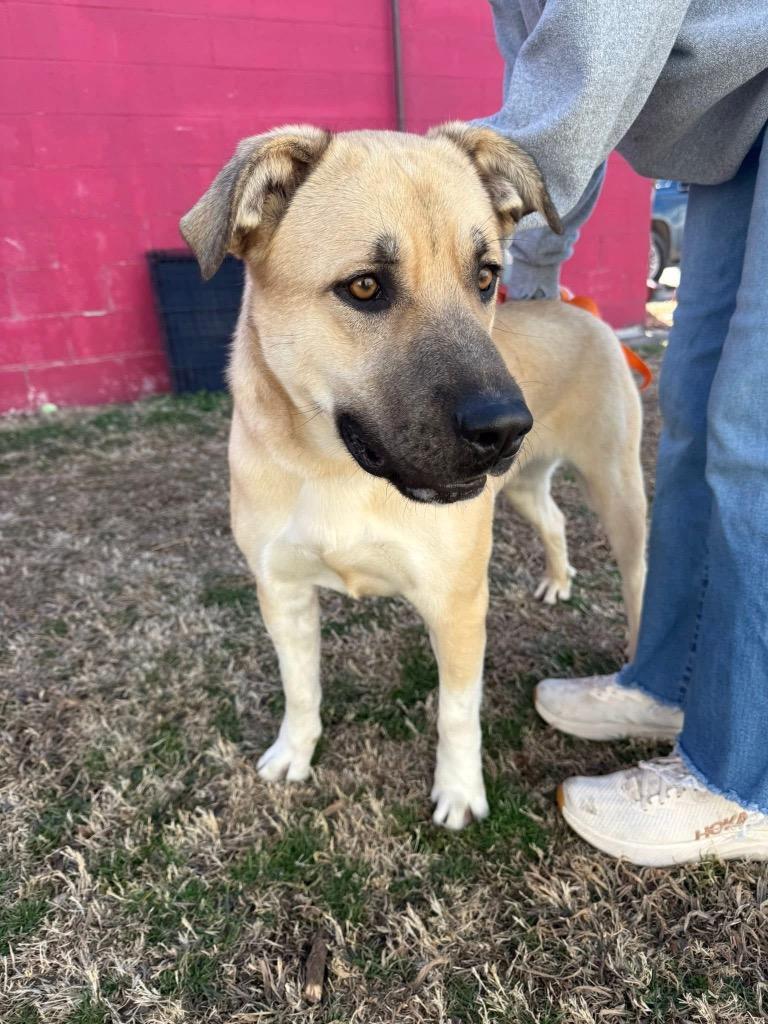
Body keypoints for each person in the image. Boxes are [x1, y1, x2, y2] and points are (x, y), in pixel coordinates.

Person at [476, 0, 768, 866]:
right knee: (694, 408)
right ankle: (673, 683)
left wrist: (459, 199)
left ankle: (744, 781)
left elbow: (599, 42)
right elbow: (561, 80)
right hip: (739, 125)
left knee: (754, 437)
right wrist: (533, 274)